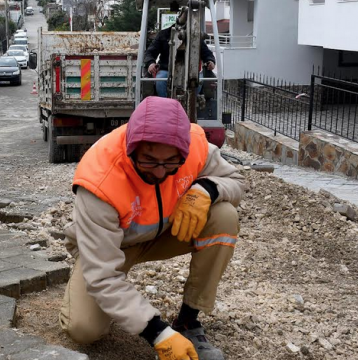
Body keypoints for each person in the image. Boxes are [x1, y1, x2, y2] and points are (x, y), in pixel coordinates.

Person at [59, 96, 244, 360]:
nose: (159, 173)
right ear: (131, 148)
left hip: (164, 233)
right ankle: (89, 293)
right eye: (148, 161)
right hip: (113, 245)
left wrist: (206, 190)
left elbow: (236, 180)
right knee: (83, 329)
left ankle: (188, 322)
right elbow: (104, 276)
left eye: (170, 163)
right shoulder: (99, 179)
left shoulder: (195, 145)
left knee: (224, 215)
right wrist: (157, 332)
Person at [144, 3, 216, 98]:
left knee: (199, 80)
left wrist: (210, 61)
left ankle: (193, 103)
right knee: (161, 80)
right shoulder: (164, 34)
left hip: (191, 71)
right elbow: (150, 52)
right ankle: (166, 105)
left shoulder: (195, 36)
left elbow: (206, 53)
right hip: (166, 70)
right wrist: (151, 63)